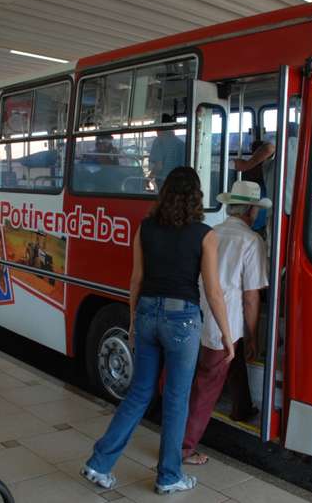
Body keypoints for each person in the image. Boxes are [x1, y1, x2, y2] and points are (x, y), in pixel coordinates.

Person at [81, 167, 235, 495]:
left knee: (138, 394)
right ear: (196, 197)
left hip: (148, 313)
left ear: (164, 194)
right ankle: (168, 476)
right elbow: (213, 291)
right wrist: (225, 333)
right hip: (182, 321)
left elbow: (136, 280)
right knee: (176, 399)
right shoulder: (205, 235)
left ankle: (99, 463)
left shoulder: (145, 229)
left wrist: (135, 321)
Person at [182, 180, 270, 465]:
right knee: (207, 386)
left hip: (196, 316)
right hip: (225, 324)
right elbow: (251, 298)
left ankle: (242, 407)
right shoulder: (251, 241)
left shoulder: (211, 232)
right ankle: (184, 447)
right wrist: (254, 336)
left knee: (228, 364)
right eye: (257, 209)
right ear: (251, 211)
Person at [148, 114, 186, 186]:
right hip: (179, 183)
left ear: (160, 127)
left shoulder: (158, 141)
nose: (156, 131)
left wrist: (148, 179)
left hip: (163, 183)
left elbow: (159, 166)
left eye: (156, 127)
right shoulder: (181, 144)